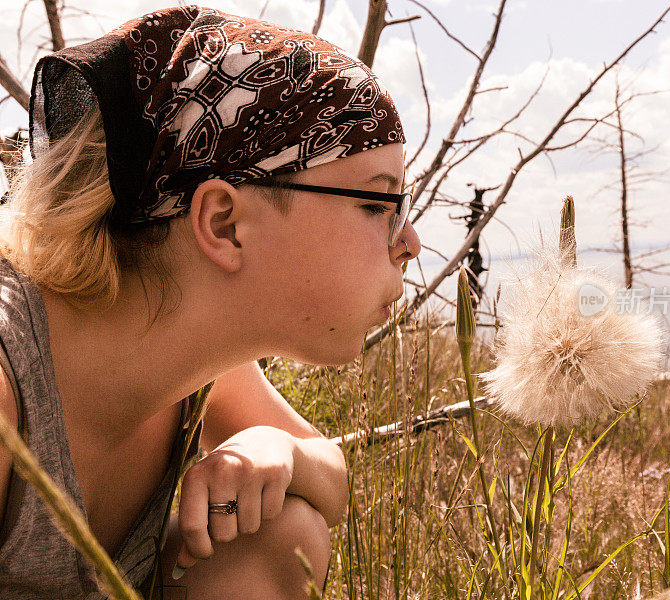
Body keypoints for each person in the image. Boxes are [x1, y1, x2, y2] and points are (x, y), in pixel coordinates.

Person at [0, 5, 420, 600]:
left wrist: (273, 450)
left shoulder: (191, 355)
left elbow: (330, 473)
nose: (409, 242)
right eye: (377, 204)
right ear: (223, 223)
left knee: (288, 531)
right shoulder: (9, 380)